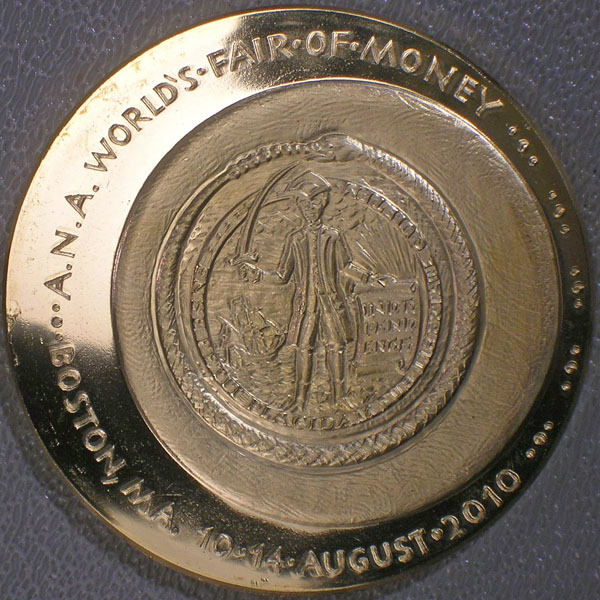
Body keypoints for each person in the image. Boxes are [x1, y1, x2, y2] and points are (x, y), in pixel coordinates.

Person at [234, 170, 392, 412]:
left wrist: (370, 278)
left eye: (315, 202)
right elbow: (282, 276)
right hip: (305, 306)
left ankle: (339, 397)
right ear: (299, 206)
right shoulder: (295, 240)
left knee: (336, 347)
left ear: (323, 203)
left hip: (331, 304)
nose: (310, 208)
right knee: (303, 349)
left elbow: (346, 267)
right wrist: (258, 274)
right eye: (305, 204)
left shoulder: (333, 237)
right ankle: (299, 400)